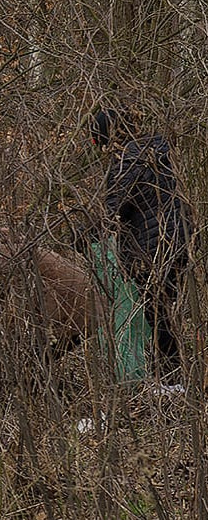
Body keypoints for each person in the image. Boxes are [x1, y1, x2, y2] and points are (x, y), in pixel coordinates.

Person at [89, 107, 191, 384]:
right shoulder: (163, 148)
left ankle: (172, 379)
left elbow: (109, 210)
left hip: (152, 249)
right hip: (183, 239)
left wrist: (81, 237)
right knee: (169, 309)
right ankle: (175, 375)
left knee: (157, 313)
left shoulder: (128, 161)